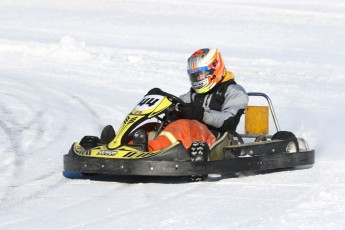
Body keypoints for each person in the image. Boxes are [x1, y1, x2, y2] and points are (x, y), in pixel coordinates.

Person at [134, 48, 249, 152]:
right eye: (194, 76)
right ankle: (127, 147)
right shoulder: (193, 93)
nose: (197, 79)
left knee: (183, 126)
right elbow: (179, 102)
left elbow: (229, 120)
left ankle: (149, 150)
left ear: (214, 70)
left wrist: (201, 114)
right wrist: (162, 101)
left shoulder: (235, 92)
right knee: (151, 126)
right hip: (195, 135)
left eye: (200, 74)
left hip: (216, 140)